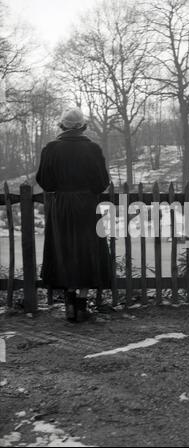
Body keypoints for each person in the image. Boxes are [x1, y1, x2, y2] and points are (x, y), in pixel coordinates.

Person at [36, 107, 111, 323]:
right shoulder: (93, 149)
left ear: (62, 125)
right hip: (86, 206)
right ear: (82, 126)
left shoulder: (50, 149)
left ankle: (69, 304)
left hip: (61, 206)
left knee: (64, 250)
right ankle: (81, 305)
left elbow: (45, 182)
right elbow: (101, 183)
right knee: (88, 251)